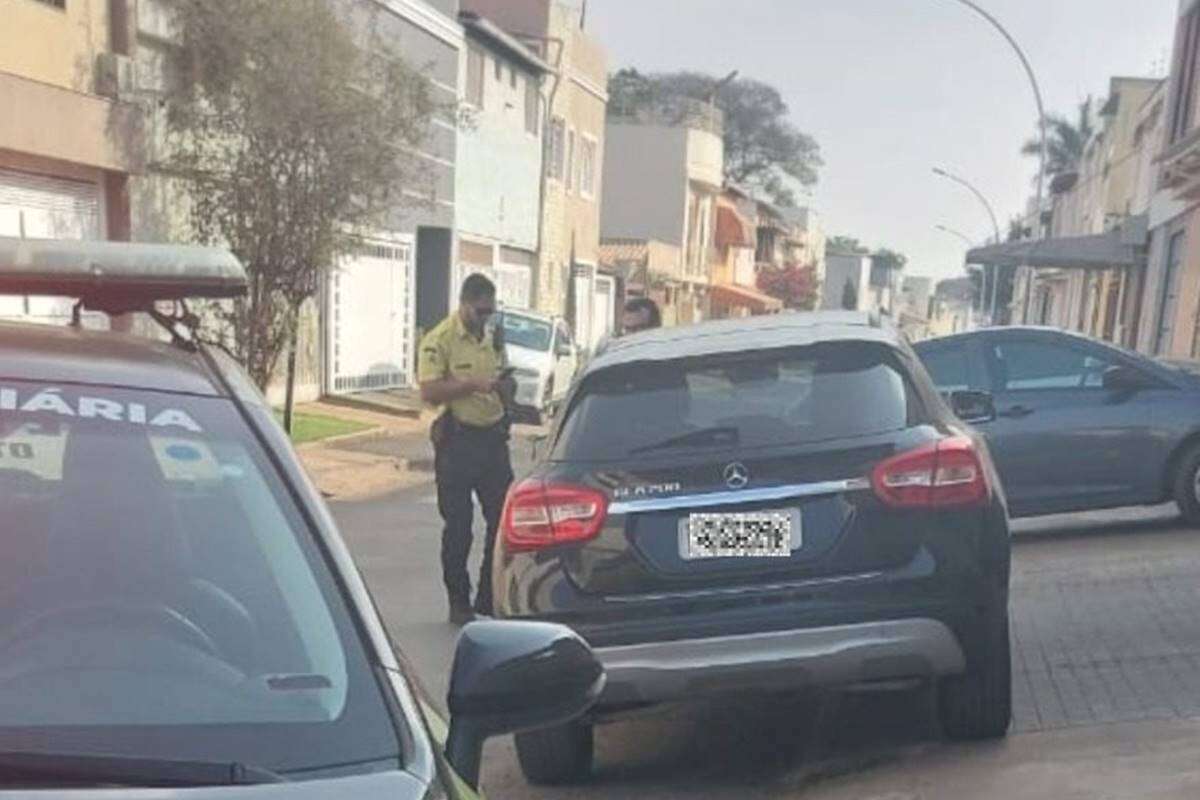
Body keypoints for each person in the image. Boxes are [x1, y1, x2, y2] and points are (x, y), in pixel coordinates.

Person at [417, 274, 515, 626]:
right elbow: (428, 391)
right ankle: (458, 602)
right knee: (459, 527)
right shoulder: (439, 340)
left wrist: (506, 390)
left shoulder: (492, 335)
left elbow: (501, 372)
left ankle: (487, 598)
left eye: (490, 312)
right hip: (458, 442)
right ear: (464, 303)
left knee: (502, 524)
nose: (485, 318)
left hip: (492, 440)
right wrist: (472, 385)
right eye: (480, 311)